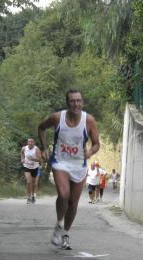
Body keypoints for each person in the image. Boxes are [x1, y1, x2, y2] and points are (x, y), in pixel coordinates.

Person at [38, 89, 100, 250]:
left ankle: (65, 233)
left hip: (79, 164)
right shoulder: (58, 118)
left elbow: (96, 143)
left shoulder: (89, 121)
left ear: (82, 102)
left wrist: (90, 152)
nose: (76, 104)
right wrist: (44, 148)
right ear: (67, 103)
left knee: (73, 202)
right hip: (60, 161)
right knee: (64, 194)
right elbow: (41, 127)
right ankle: (59, 224)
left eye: (79, 100)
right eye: (72, 101)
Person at [20, 137, 42, 204]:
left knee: (33, 183)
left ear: (34, 142)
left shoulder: (36, 149)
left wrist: (33, 159)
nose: (30, 143)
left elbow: (39, 159)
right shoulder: (24, 148)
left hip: (35, 168)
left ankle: (32, 196)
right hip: (27, 167)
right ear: (27, 142)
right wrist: (22, 159)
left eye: (31, 141)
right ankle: (28, 197)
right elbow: (21, 153)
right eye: (29, 141)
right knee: (28, 182)